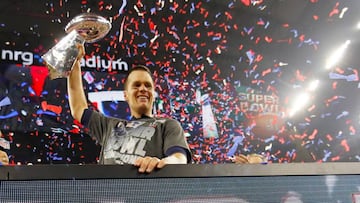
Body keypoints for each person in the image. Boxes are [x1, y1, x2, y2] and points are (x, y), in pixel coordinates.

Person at [67, 44, 192, 173]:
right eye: (136, 85)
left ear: (153, 95)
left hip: (146, 192)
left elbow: (179, 158)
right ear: (125, 95)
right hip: (106, 192)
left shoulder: (167, 125)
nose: (143, 89)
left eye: (148, 86)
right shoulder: (109, 126)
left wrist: (162, 162)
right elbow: (78, 109)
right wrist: (75, 62)